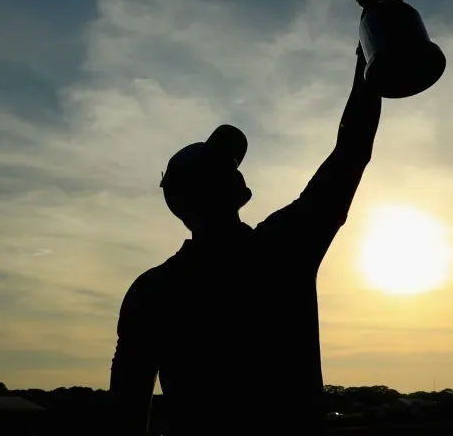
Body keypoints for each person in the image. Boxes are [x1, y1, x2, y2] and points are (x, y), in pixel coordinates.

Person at [109, 46, 382, 435]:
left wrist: (371, 52)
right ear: (189, 197)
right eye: (217, 169)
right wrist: (369, 53)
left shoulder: (151, 290)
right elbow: (352, 150)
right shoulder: (282, 248)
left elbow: (126, 412)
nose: (233, 170)